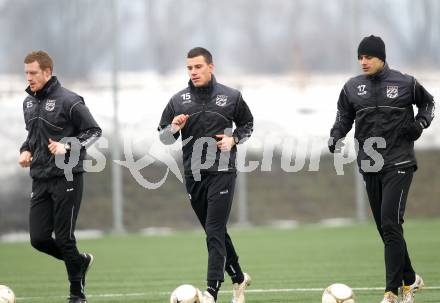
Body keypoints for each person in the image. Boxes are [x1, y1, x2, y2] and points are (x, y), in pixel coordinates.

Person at [329, 35, 435, 303]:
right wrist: (336, 134)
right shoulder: (352, 87)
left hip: (399, 163)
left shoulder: (405, 83)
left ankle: (393, 292)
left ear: (382, 58)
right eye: (360, 57)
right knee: (386, 229)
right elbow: (344, 116)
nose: (363, 62)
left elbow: (429, 103)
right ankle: (410, 278)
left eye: (369, 57)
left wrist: (420, 124)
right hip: (370, 165)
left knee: (390, 223)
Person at [158, 47, 254, 303]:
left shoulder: (231, 96)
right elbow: (164, 137)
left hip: (222, 170)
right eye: (189, 68)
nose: (193, 72)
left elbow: (247, 125)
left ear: (210, 67)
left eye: (198, 67)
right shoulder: (178, 100)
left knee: (213, 230)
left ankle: (211, 291)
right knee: (216, 231)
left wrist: (234, 139)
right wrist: (173, 127)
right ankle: (238, 278)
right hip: (193, 174)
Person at [19, 51, 102, 303]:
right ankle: (80, 261)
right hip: (40, 178)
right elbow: (33, 137)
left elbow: (94, 131)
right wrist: (25, 150)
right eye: (26, 73)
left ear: (47, 72)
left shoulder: (70, 100)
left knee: (65, 238)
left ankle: (77, 295)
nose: (29, 78)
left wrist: (68, 145)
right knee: (39, 239)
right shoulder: (28, 103)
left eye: (33, 73)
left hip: (67, 176)